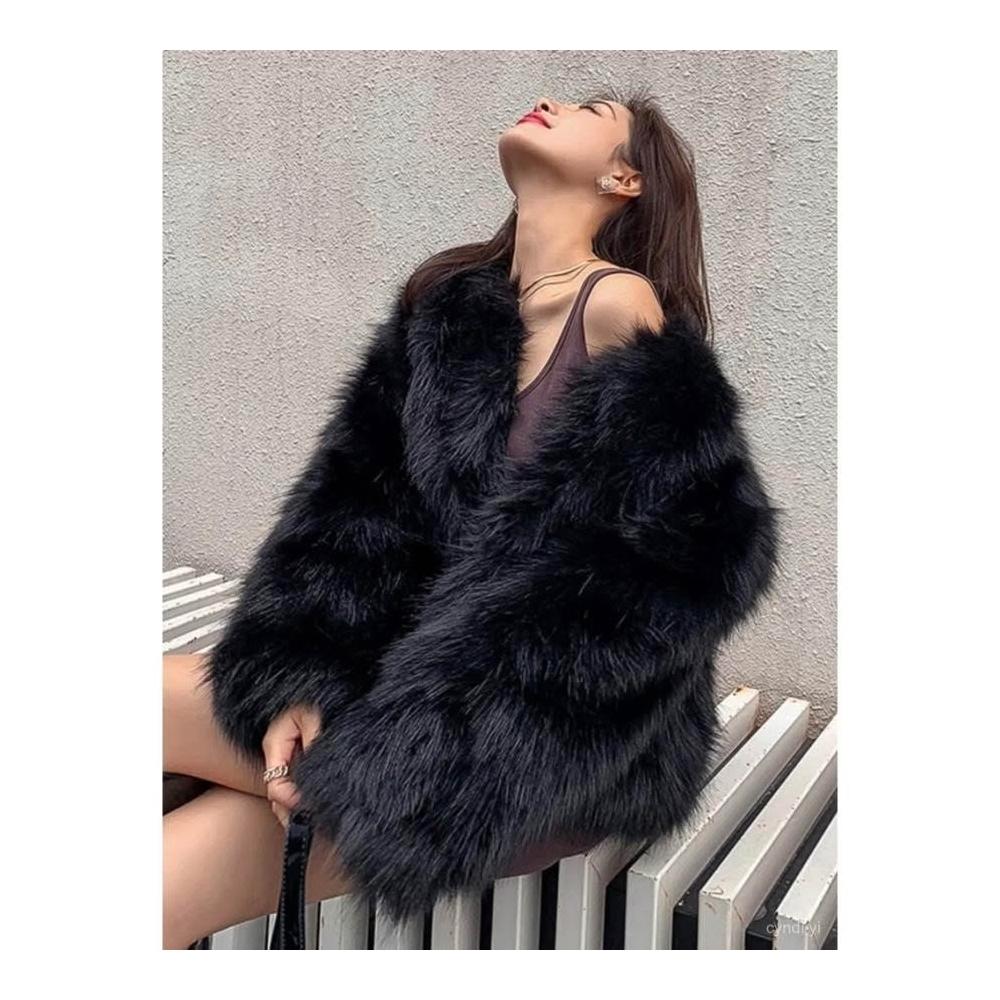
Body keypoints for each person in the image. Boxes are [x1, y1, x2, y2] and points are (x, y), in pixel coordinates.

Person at [163, 91, 774, 949]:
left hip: (527, 759)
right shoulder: (447, 307)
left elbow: (676, 568)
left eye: (590, 108)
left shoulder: (617, 305)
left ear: (623, 177)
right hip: (383, 695)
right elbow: (350, 516)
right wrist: (295, 685)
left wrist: (406, 755)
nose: (551, 101)